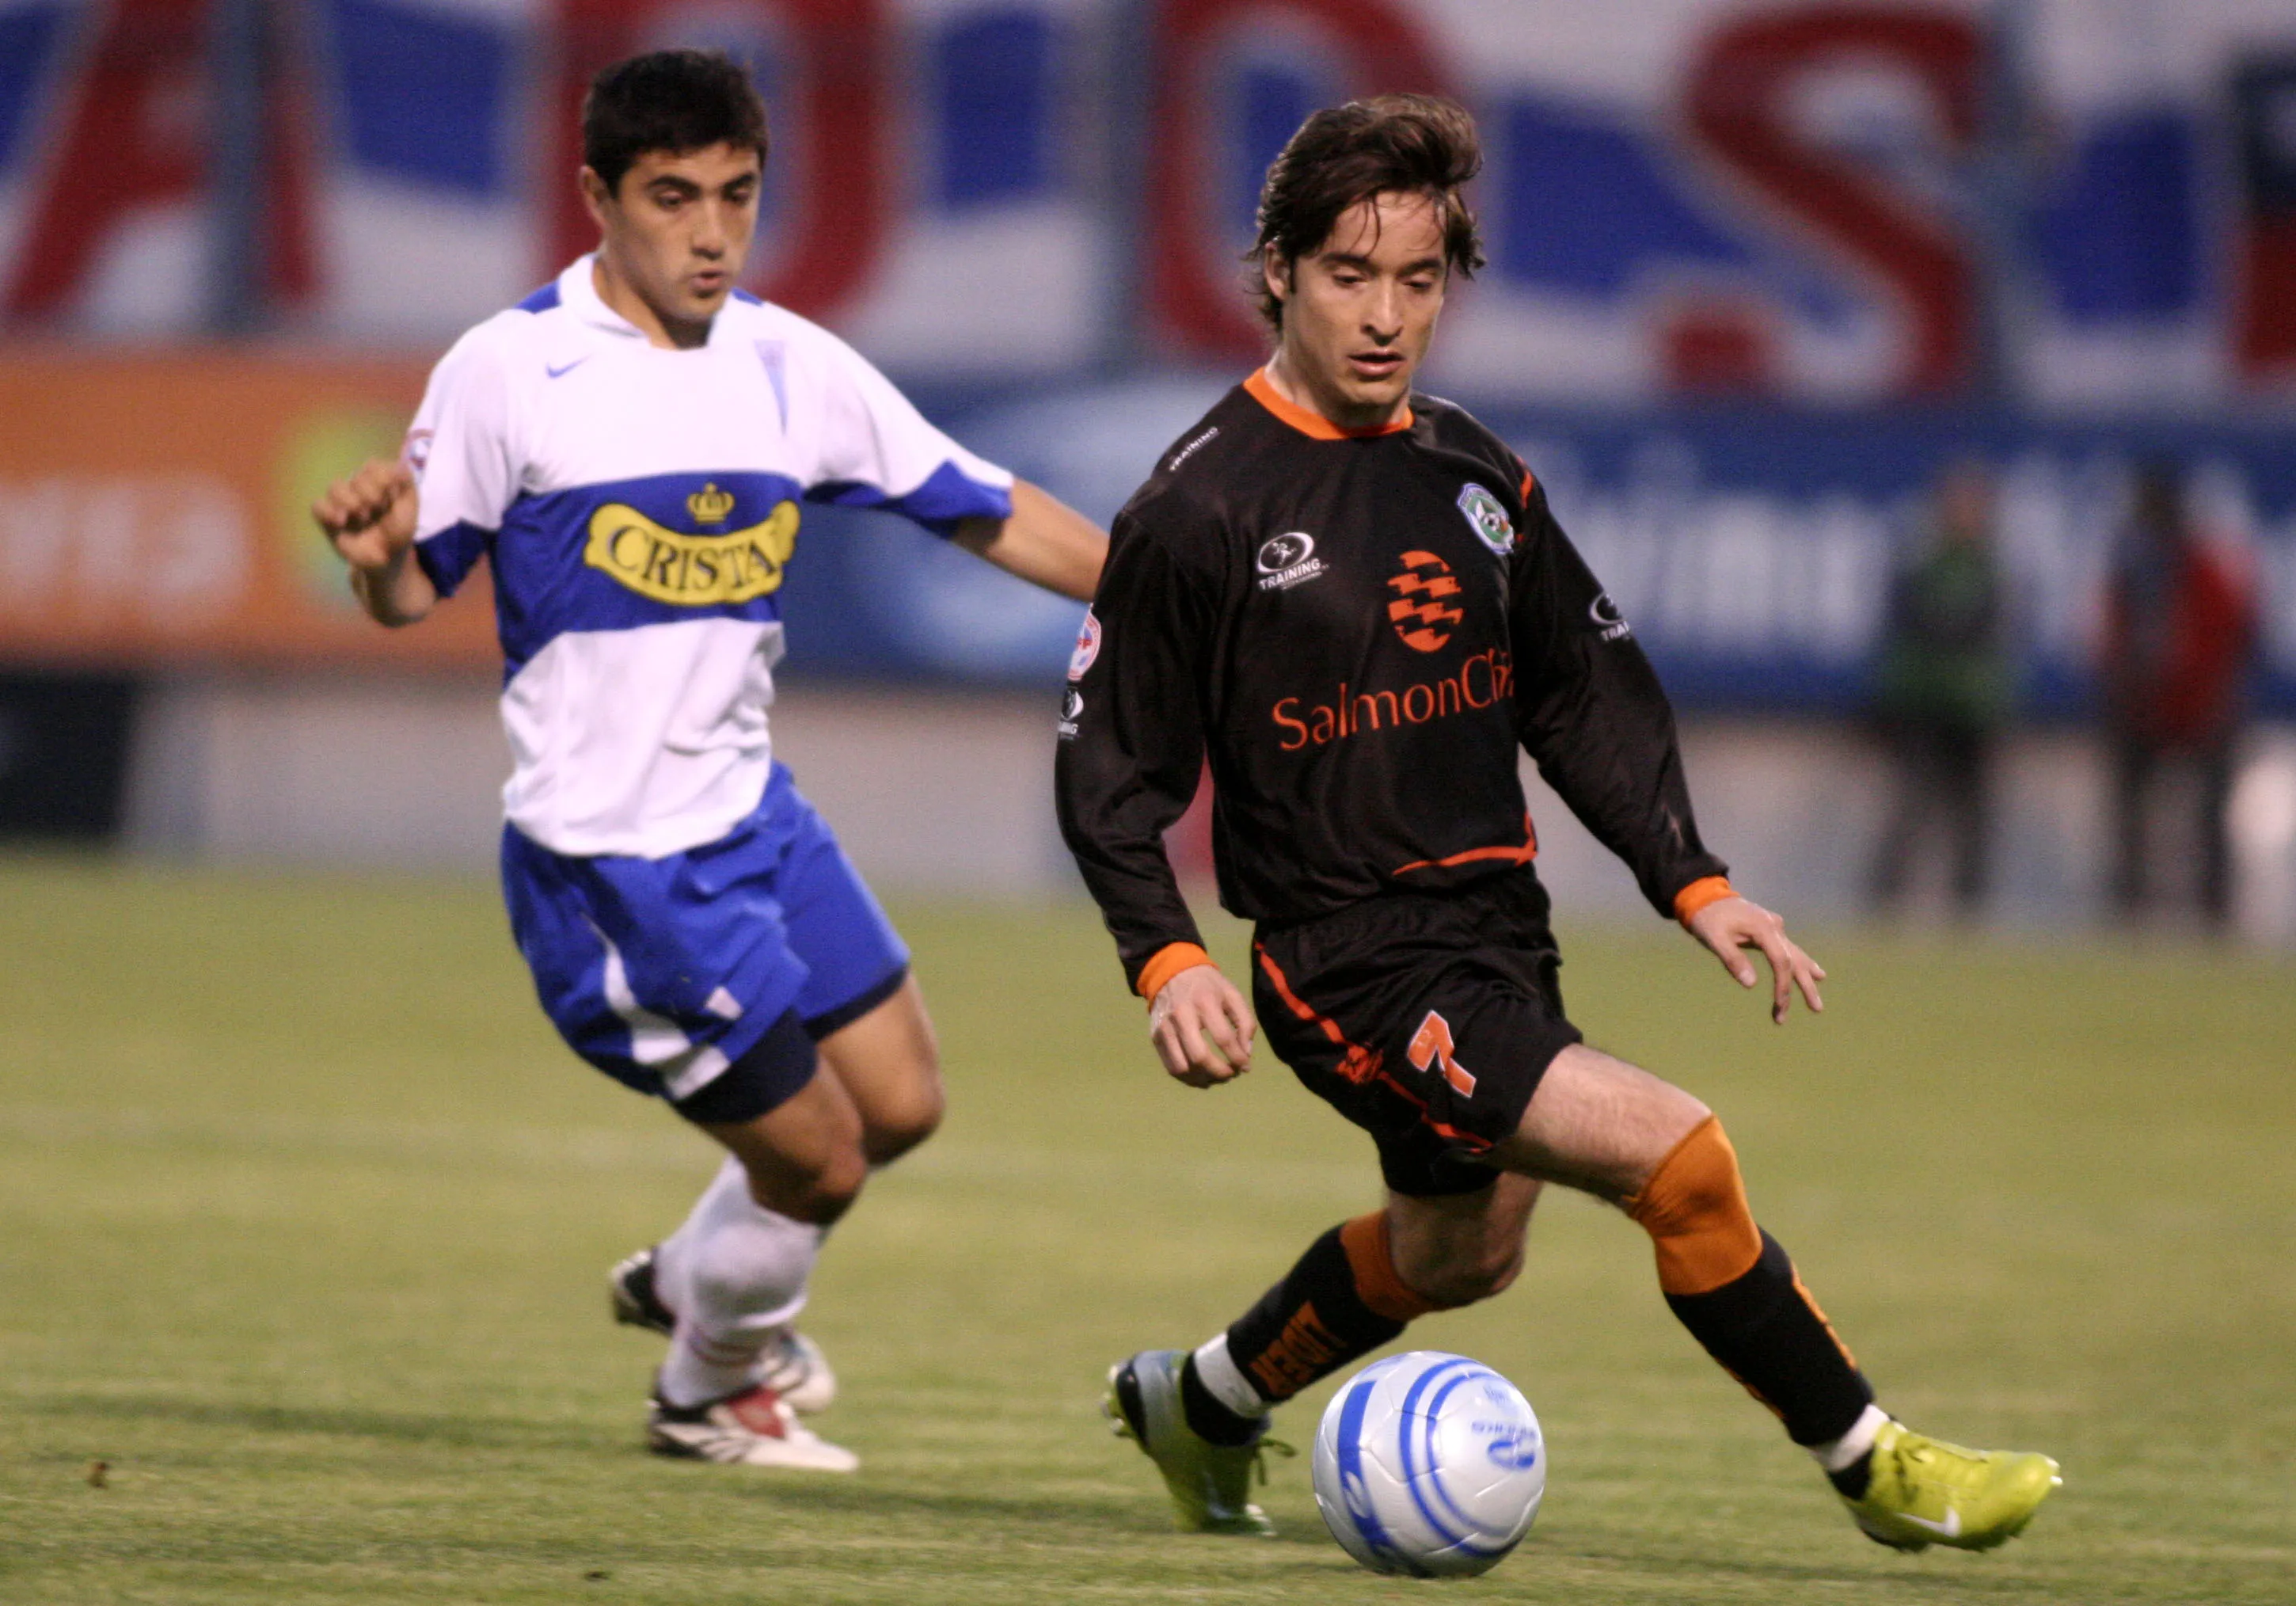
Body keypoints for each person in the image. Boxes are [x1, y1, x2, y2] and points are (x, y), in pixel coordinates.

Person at [1055, 95, 2058, 1552]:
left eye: (1419, 279)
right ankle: (1880, 1466)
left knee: (1457, 1256)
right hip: (1349, 959)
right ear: (1273, 270)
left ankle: (1200, 1402)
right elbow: (1106, 767)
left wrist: (1692, 878)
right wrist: (1167, 959)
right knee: (1679, 1157)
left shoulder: (1472, 471)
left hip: (1494, 935)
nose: (1388, 314)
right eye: (1350, 274)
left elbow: (1586, 688)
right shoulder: (1198, 508)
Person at [313, 50, 1104, 1471]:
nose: (712, 233)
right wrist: (376, 565)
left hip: (752, 817)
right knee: (819, 1159)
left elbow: (985, 506)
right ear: (597, 199)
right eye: (673, 198)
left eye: (737, 196)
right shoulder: (513, 369)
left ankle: (692, 1274)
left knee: (902, 1104)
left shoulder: (791, 364)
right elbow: (413, 589)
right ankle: (705, 1387)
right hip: (613, 867)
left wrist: (1167, 599)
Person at [2101, 462, 2259, 929]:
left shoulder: (2205, 567)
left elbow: (2232, 636)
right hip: (2144, 708)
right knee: (2132, 816)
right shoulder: (2131, 568)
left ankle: (2213, 910)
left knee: (2209, 819)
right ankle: (2129, 906)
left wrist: (2210, 698)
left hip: (2198, 708)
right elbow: (2112, 637)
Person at [1866, 460, 2013, 917]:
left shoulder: (1990, 570)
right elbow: (1905, 629)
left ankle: (1969, 907)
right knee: (1910, 807)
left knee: (1972, 817)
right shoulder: (1922, 566)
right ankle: (1886, 901)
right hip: (1923, 704)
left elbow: (1990, 637)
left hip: (1970, 709)